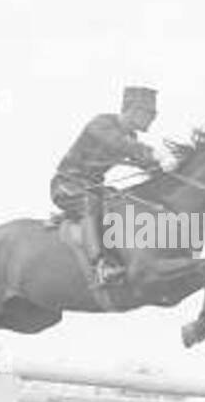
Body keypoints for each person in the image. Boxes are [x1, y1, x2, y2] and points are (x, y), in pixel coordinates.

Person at [50, 86, 162, 286]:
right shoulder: (102, 124)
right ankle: (100, 265)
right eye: (150, 113)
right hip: (67, 185)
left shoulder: (131, 138)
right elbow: (118, 143)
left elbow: (145, 163)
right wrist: (149, 152)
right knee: (90, 201)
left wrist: (162, 169)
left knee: (125, 202)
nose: (153, 118)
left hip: (93, 187)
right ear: (133, 110)